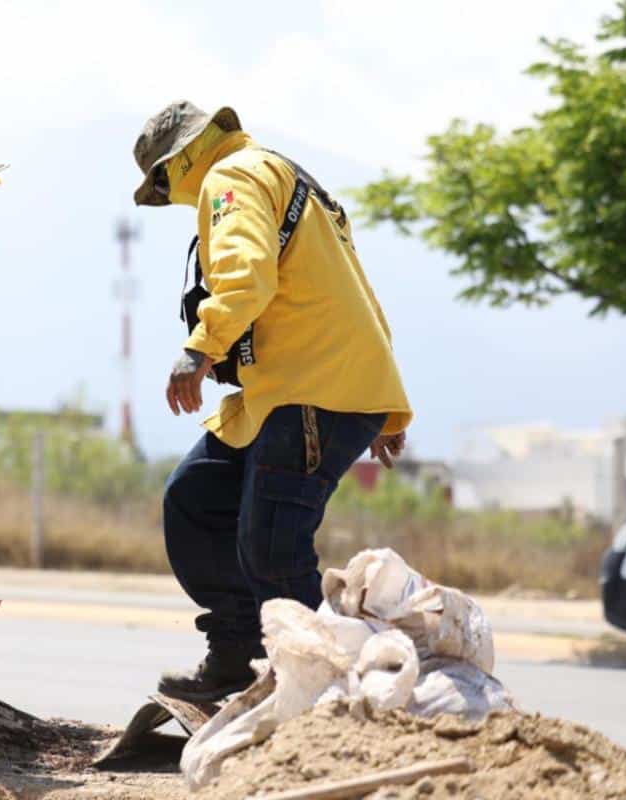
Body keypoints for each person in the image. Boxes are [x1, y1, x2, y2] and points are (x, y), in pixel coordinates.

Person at [131, 101, 413, 703]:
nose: (168, 194)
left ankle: (325, 693)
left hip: (314, 388)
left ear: (178, 161)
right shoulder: (285, 174)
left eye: (162, 181)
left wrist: (199, 350)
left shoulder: (230, 178)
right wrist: (384, 400)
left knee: (273, 549)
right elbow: (356, 289)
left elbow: (247, 272)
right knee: (197, 499)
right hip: (300, 388)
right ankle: (237, 654)